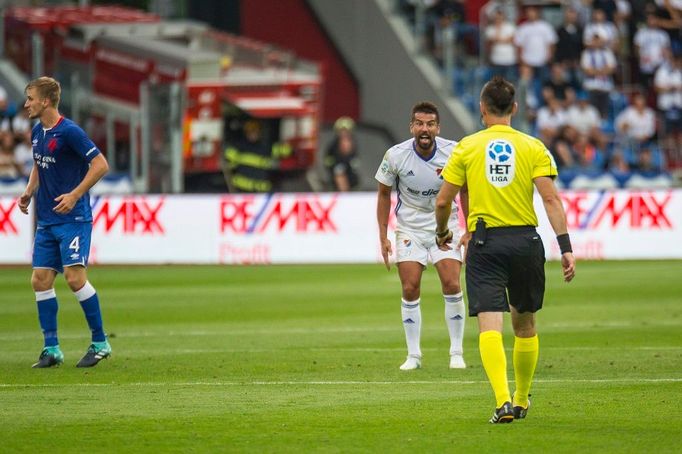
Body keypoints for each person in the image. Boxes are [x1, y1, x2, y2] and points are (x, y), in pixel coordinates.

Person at [434, 77, 576, 423]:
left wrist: (442, 232)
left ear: (482, 110)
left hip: (486, 243)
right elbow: (550, 199)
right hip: (526, 242)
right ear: (514, 109)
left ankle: (502, 402)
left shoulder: (466, 147)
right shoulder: (533, 147)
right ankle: (522, 399)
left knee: (490, 326)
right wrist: (566, 247)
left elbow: (443, 201)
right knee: (525, 324)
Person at [18, 76, 112, 368]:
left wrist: (75, 194)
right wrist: (29, 190)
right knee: (40, 280)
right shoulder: (37, 132)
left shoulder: (70, 132)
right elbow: (39, 161)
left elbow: (101, 164)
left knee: (74, 278)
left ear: (45, 101)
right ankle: (52, 349)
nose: (26, 104)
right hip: (47, 219)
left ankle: (100, 342)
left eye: (30, 98)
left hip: (73, 218)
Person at [375, 101, 467, 371]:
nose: (424, 129)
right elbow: (383, 194)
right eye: (419, 124)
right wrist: (383, 236)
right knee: (409, 287)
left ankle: (456, 352)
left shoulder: (455, 152)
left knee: (451, 283)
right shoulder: (395, 155)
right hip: (410, 227)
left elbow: (466, 190)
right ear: (411, 127)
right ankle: (413, 356)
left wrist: (470, 228)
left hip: (445, 223)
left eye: (429, 124)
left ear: (438, 127)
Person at [324, 116, 360, 191]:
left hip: (353, 183)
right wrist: (336, 168)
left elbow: (355, 164)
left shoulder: (354, 147)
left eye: (347, 131)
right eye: (341, 131)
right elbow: (328, 163)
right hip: (336, 186)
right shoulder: (332, 148)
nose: (344, 134)